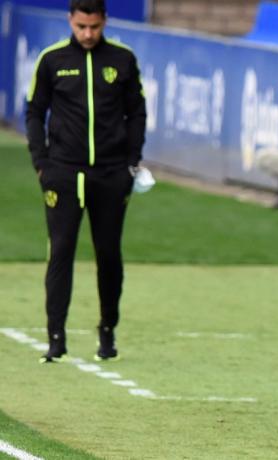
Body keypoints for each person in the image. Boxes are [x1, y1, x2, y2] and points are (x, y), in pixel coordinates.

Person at [26, 0, 146, 363]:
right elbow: (34, 110)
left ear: (104, 21)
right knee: (60, 251)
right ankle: (56, 337)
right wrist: (41, 162)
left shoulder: (123, 59)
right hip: (62, 173)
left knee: (108, 254)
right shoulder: (52, 60)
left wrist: (132, 162)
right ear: (71, 22)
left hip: (111, 174)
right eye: (81, 27)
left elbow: (137, 112)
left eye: (94, 26)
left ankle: (107, 329)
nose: (88, 34)